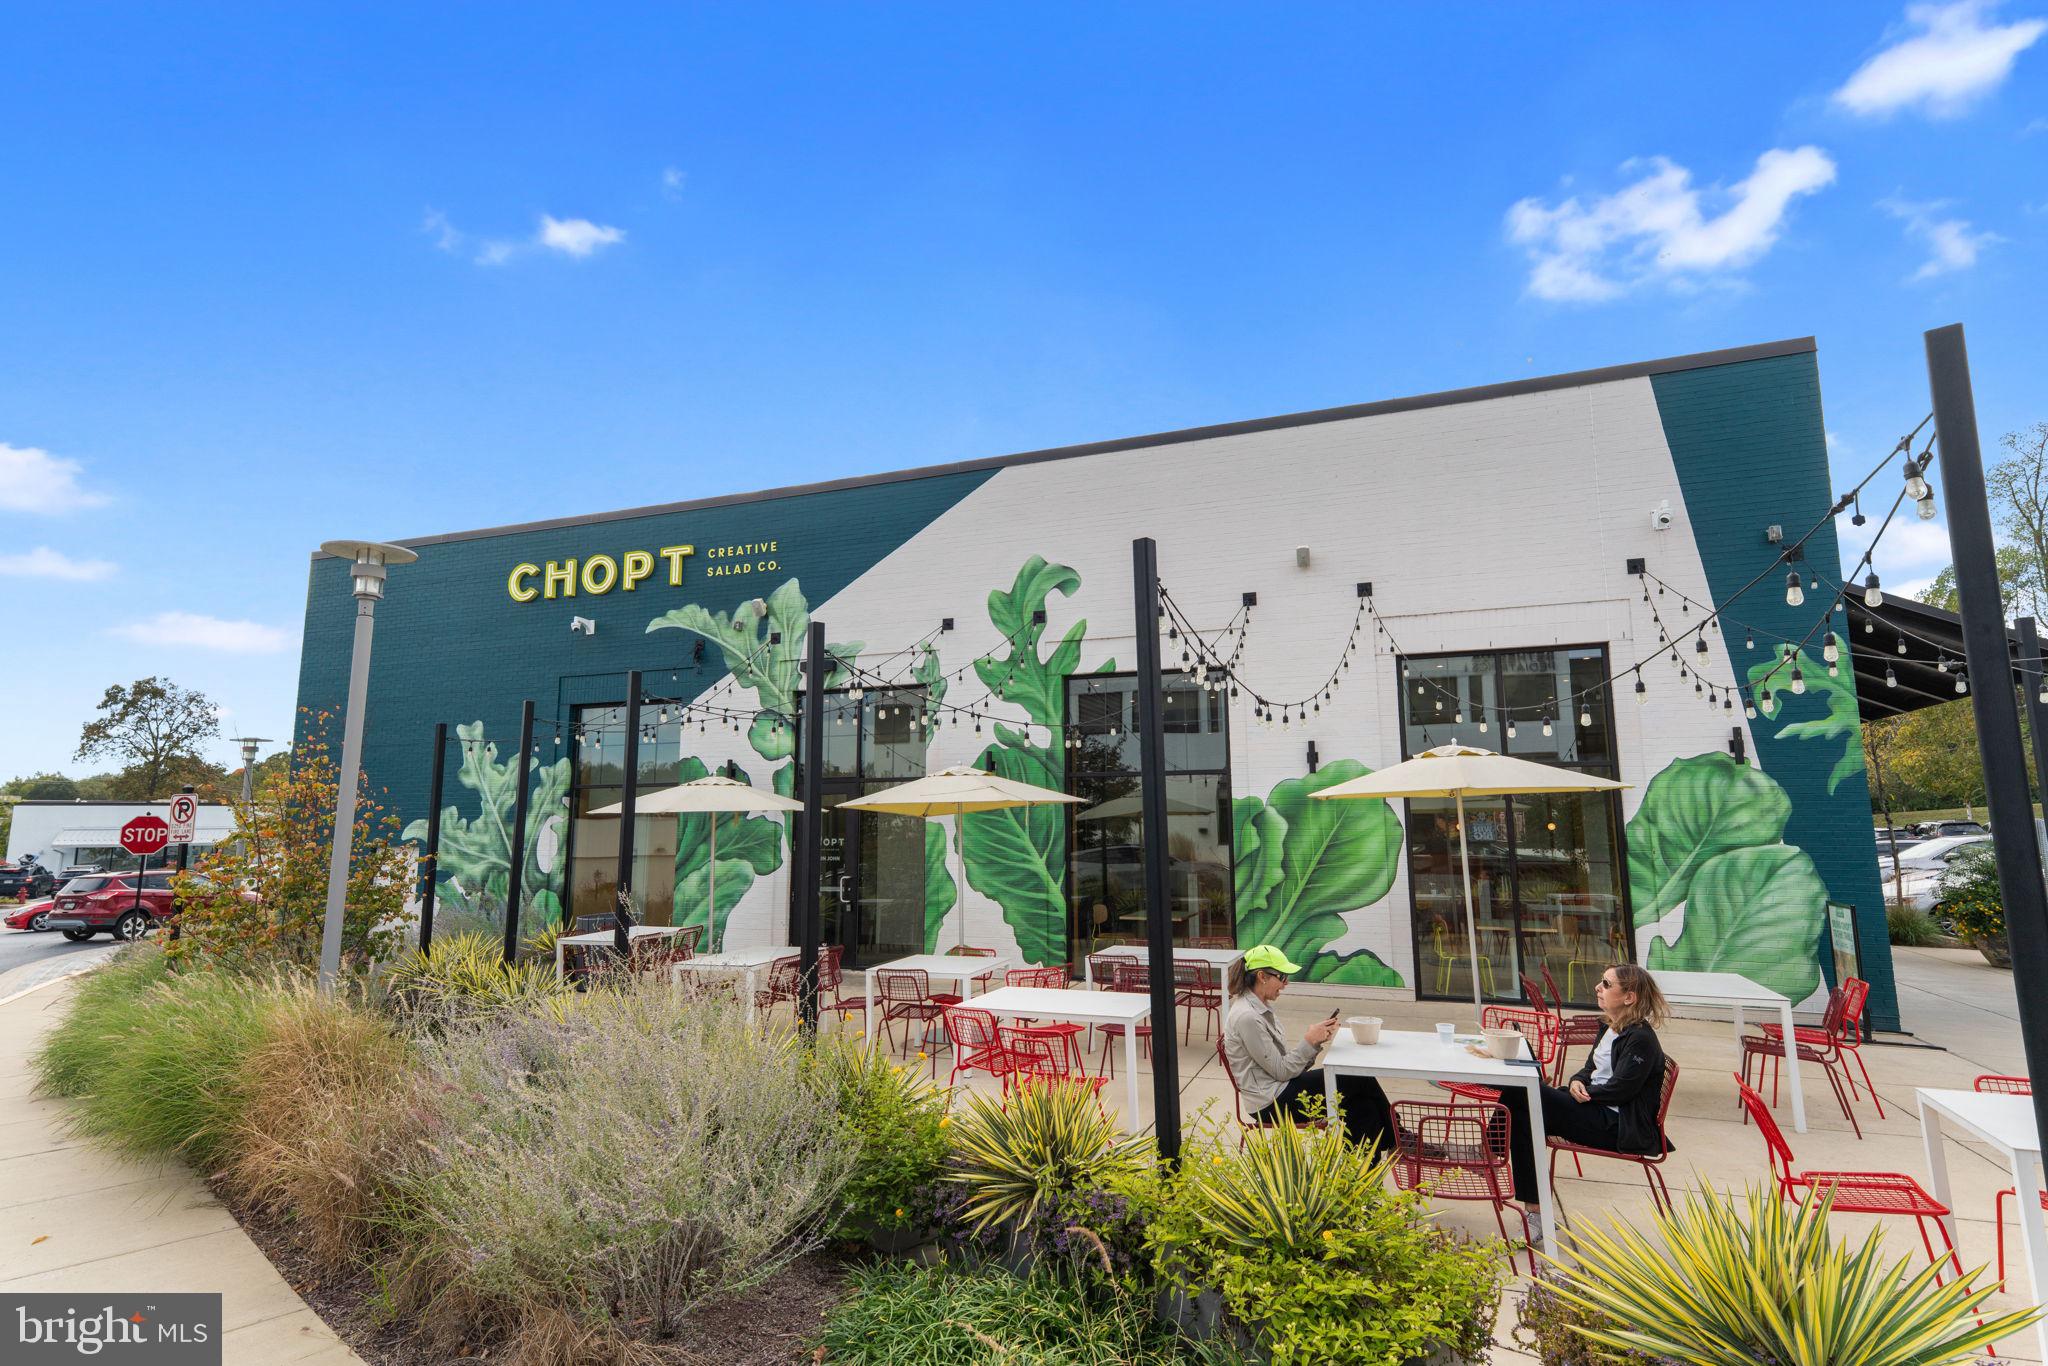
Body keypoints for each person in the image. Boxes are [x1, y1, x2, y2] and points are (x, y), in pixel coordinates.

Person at [1495, 962, 1671, 1242]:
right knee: (1524, 1110)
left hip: (1616, 1125)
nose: (1598, 987)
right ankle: (1534, 1213)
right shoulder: (1609, 1026)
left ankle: (1490, 1150)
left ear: (1629, 997)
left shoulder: (1640, 1039)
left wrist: (1585, 1092)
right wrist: (1578, 1081)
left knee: (1523, 1092)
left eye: (1607, 984)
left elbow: (1622, 1089)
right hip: (1594, 1110)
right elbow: (1590, 1068)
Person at [1222, 944, 1394, 1150]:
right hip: (1270, 1103)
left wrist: (1316, 1041)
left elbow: (1284, 1067)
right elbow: (1281, 1071)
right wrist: (1310, 1041)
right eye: (1282, 977)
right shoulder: (1247, 1017)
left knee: (1362, 1106)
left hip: (1279, 1088)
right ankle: (1399, 1139)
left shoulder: (1260, 1007)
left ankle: (1367, 1164)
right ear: (1262, 976)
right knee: (1358, 1078)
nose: (1286, 983)